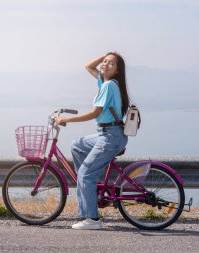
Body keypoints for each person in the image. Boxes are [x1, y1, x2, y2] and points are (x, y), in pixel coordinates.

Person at [55, 52, 129, 230]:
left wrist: (66, 120)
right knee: (77, 145)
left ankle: (92, 219)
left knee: (86, 175)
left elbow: (95, 113)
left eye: (111, 63)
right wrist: (107, 54)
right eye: (104, 62)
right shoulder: (105, 82)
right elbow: (88, 66)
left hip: (111, 136)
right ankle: (88, 194)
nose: (105, 64)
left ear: (118, 70)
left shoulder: (109, 85)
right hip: (106, 132)